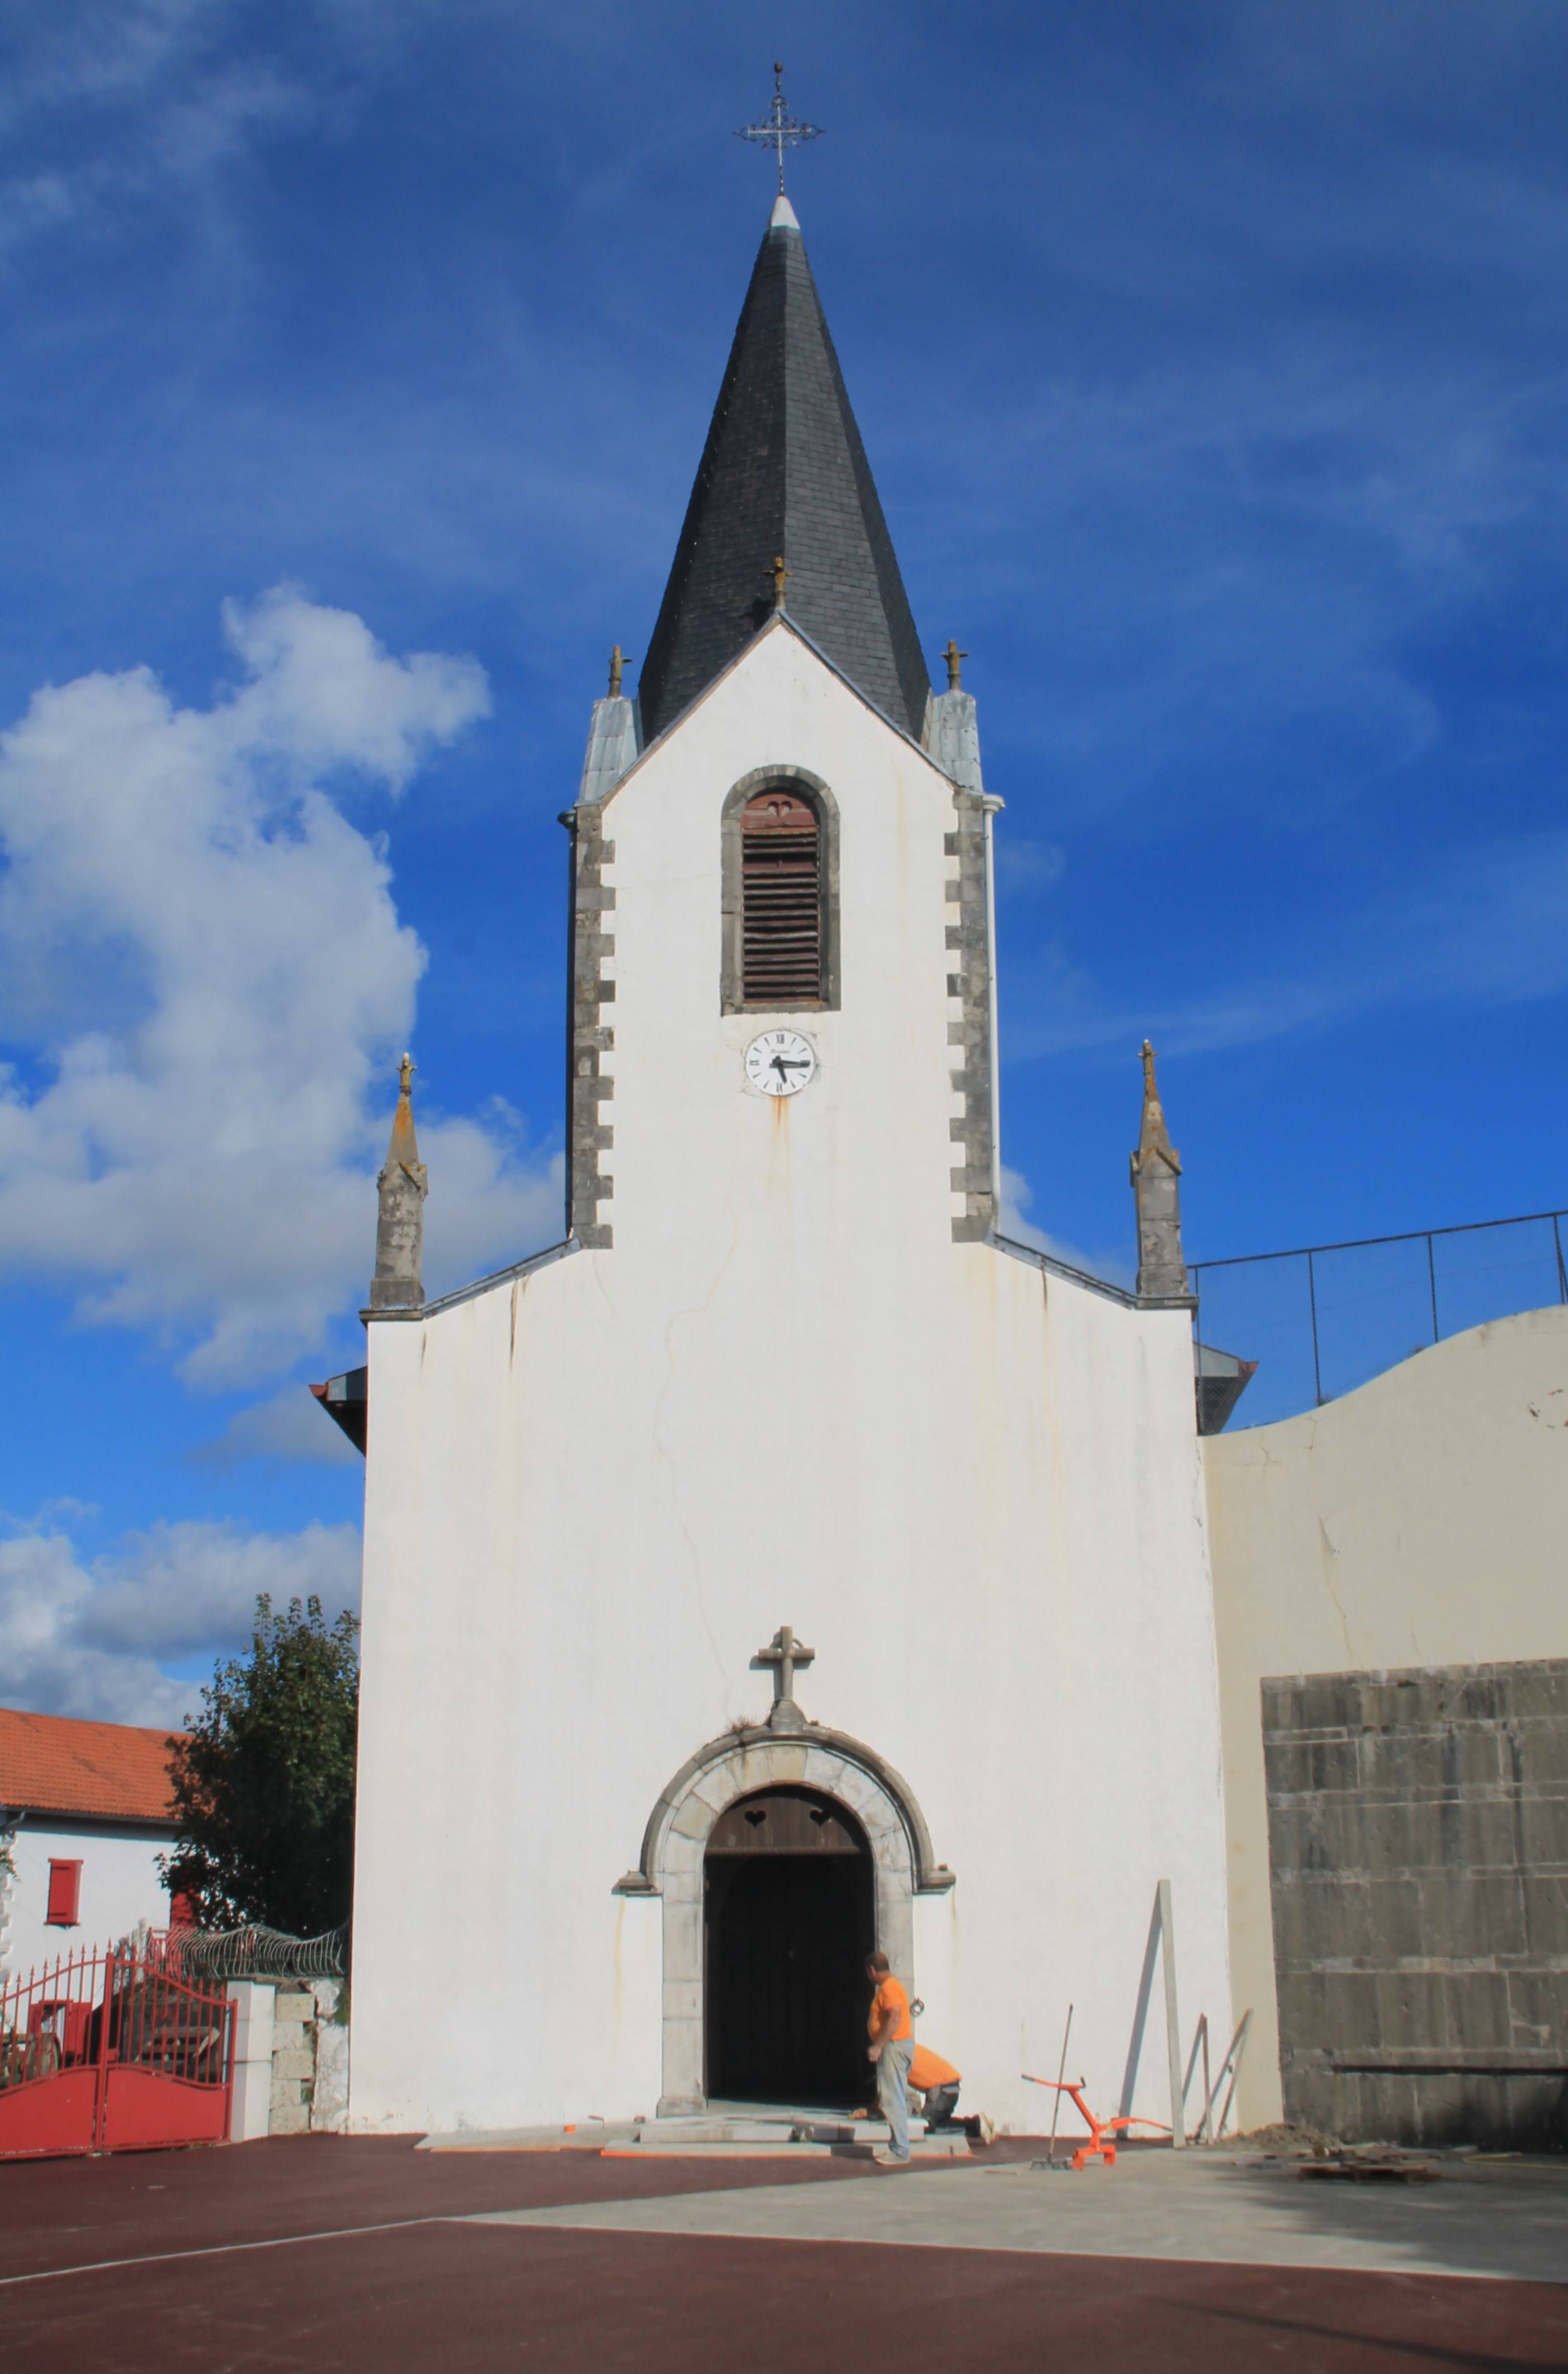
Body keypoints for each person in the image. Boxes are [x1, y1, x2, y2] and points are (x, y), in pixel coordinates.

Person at [865, 1950, 914, 2164]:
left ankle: (900, 2150)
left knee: (893, 2099)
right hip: (897, 2045)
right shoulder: (892, 1986)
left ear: (872, 1971)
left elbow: (895, 2017)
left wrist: (879, 2046)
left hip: (894, 2047)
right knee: (894, 2098)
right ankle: (898, 2146)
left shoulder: (889, 1988)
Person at [909, 2041, 962, 2132]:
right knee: (938, 2123)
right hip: (946, 2087)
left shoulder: (898, 2055)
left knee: (927, 2125)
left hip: (944, 2088)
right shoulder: (906, 2047)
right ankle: (975, 2124)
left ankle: (975, 2126)